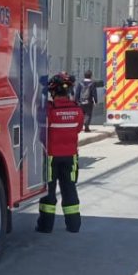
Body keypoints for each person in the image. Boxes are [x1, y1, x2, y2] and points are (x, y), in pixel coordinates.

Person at [36, 73, 83, 234]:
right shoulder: (77, 109)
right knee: (69, 189)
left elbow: (42, 130)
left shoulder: (49, 110)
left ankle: (45, 226)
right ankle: (74, 225)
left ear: (53, 92)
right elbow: (78, 129)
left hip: (51, 157)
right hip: (71, 157)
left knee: (49, 192)